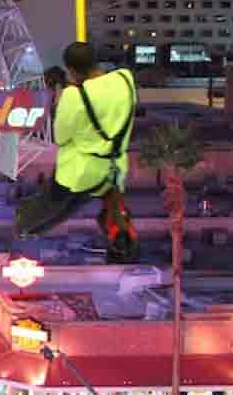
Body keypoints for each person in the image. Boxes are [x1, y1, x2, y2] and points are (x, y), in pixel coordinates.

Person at [15, 42, 140, 263]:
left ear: (71, 70)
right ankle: (122, 245)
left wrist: (62, 95)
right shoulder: (124, 79)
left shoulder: (74, 96)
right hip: (114, 167)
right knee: (88, 207)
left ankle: (23, 231)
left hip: (79, 172)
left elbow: (61, 137)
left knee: (46, 209)